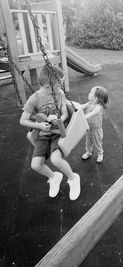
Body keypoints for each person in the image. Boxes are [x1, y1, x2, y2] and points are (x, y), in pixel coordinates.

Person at [20, 65, 80, 200]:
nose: (61, 87)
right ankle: (54, 177)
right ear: (48, 87)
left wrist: (59, 119)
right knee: (35, 165)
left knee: (56, 159)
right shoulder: (34, 99)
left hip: (57, 133)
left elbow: (64, 113)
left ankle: (73, 178)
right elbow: (23, 121)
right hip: (42, 134)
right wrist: (39, 125)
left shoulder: (60, 94)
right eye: (59, 85)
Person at [81, 86, 109, 163]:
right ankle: (88, 152)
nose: (89, 93)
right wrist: (74, 106)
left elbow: (92, 113)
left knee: (97, 142)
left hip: (96, 129)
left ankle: (100, 154)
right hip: (88, 128)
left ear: (96, 98)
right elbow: (81, 106)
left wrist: (84, 117)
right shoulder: (89, 103)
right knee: (88, 142)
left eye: (91, 92)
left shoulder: (98, 107)